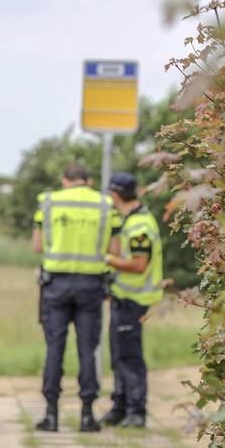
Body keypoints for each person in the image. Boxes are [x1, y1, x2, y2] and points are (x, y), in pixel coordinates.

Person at [32, 163, 115, 432]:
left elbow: (37, 246)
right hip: (91, 286)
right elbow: (114, 249)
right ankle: (88, 415)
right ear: (88, 180)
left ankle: (52, 414)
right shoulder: (104, 205)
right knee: (87, 350)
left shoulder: (48, 203)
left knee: (54, 348)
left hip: (56, 284)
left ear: (64, 180)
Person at [101, 172, 165, 429]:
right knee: (119, 355)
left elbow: (139, 265)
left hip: (134, 299)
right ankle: (120, 407)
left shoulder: (139, 226)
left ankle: (136, 410)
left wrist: (107, 260)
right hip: (123, 297)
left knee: (129, 356)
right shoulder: (131, 220)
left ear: (115, 194)